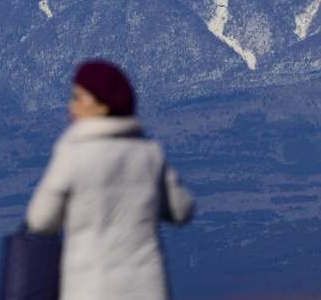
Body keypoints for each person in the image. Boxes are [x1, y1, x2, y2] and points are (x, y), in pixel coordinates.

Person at [26, 60, 195, 300]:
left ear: (103, 106)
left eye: (79, 98)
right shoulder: (150, 154)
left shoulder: (71, 155)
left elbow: (40, 221)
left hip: (89, 290)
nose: (71, 106)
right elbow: (182, 211)